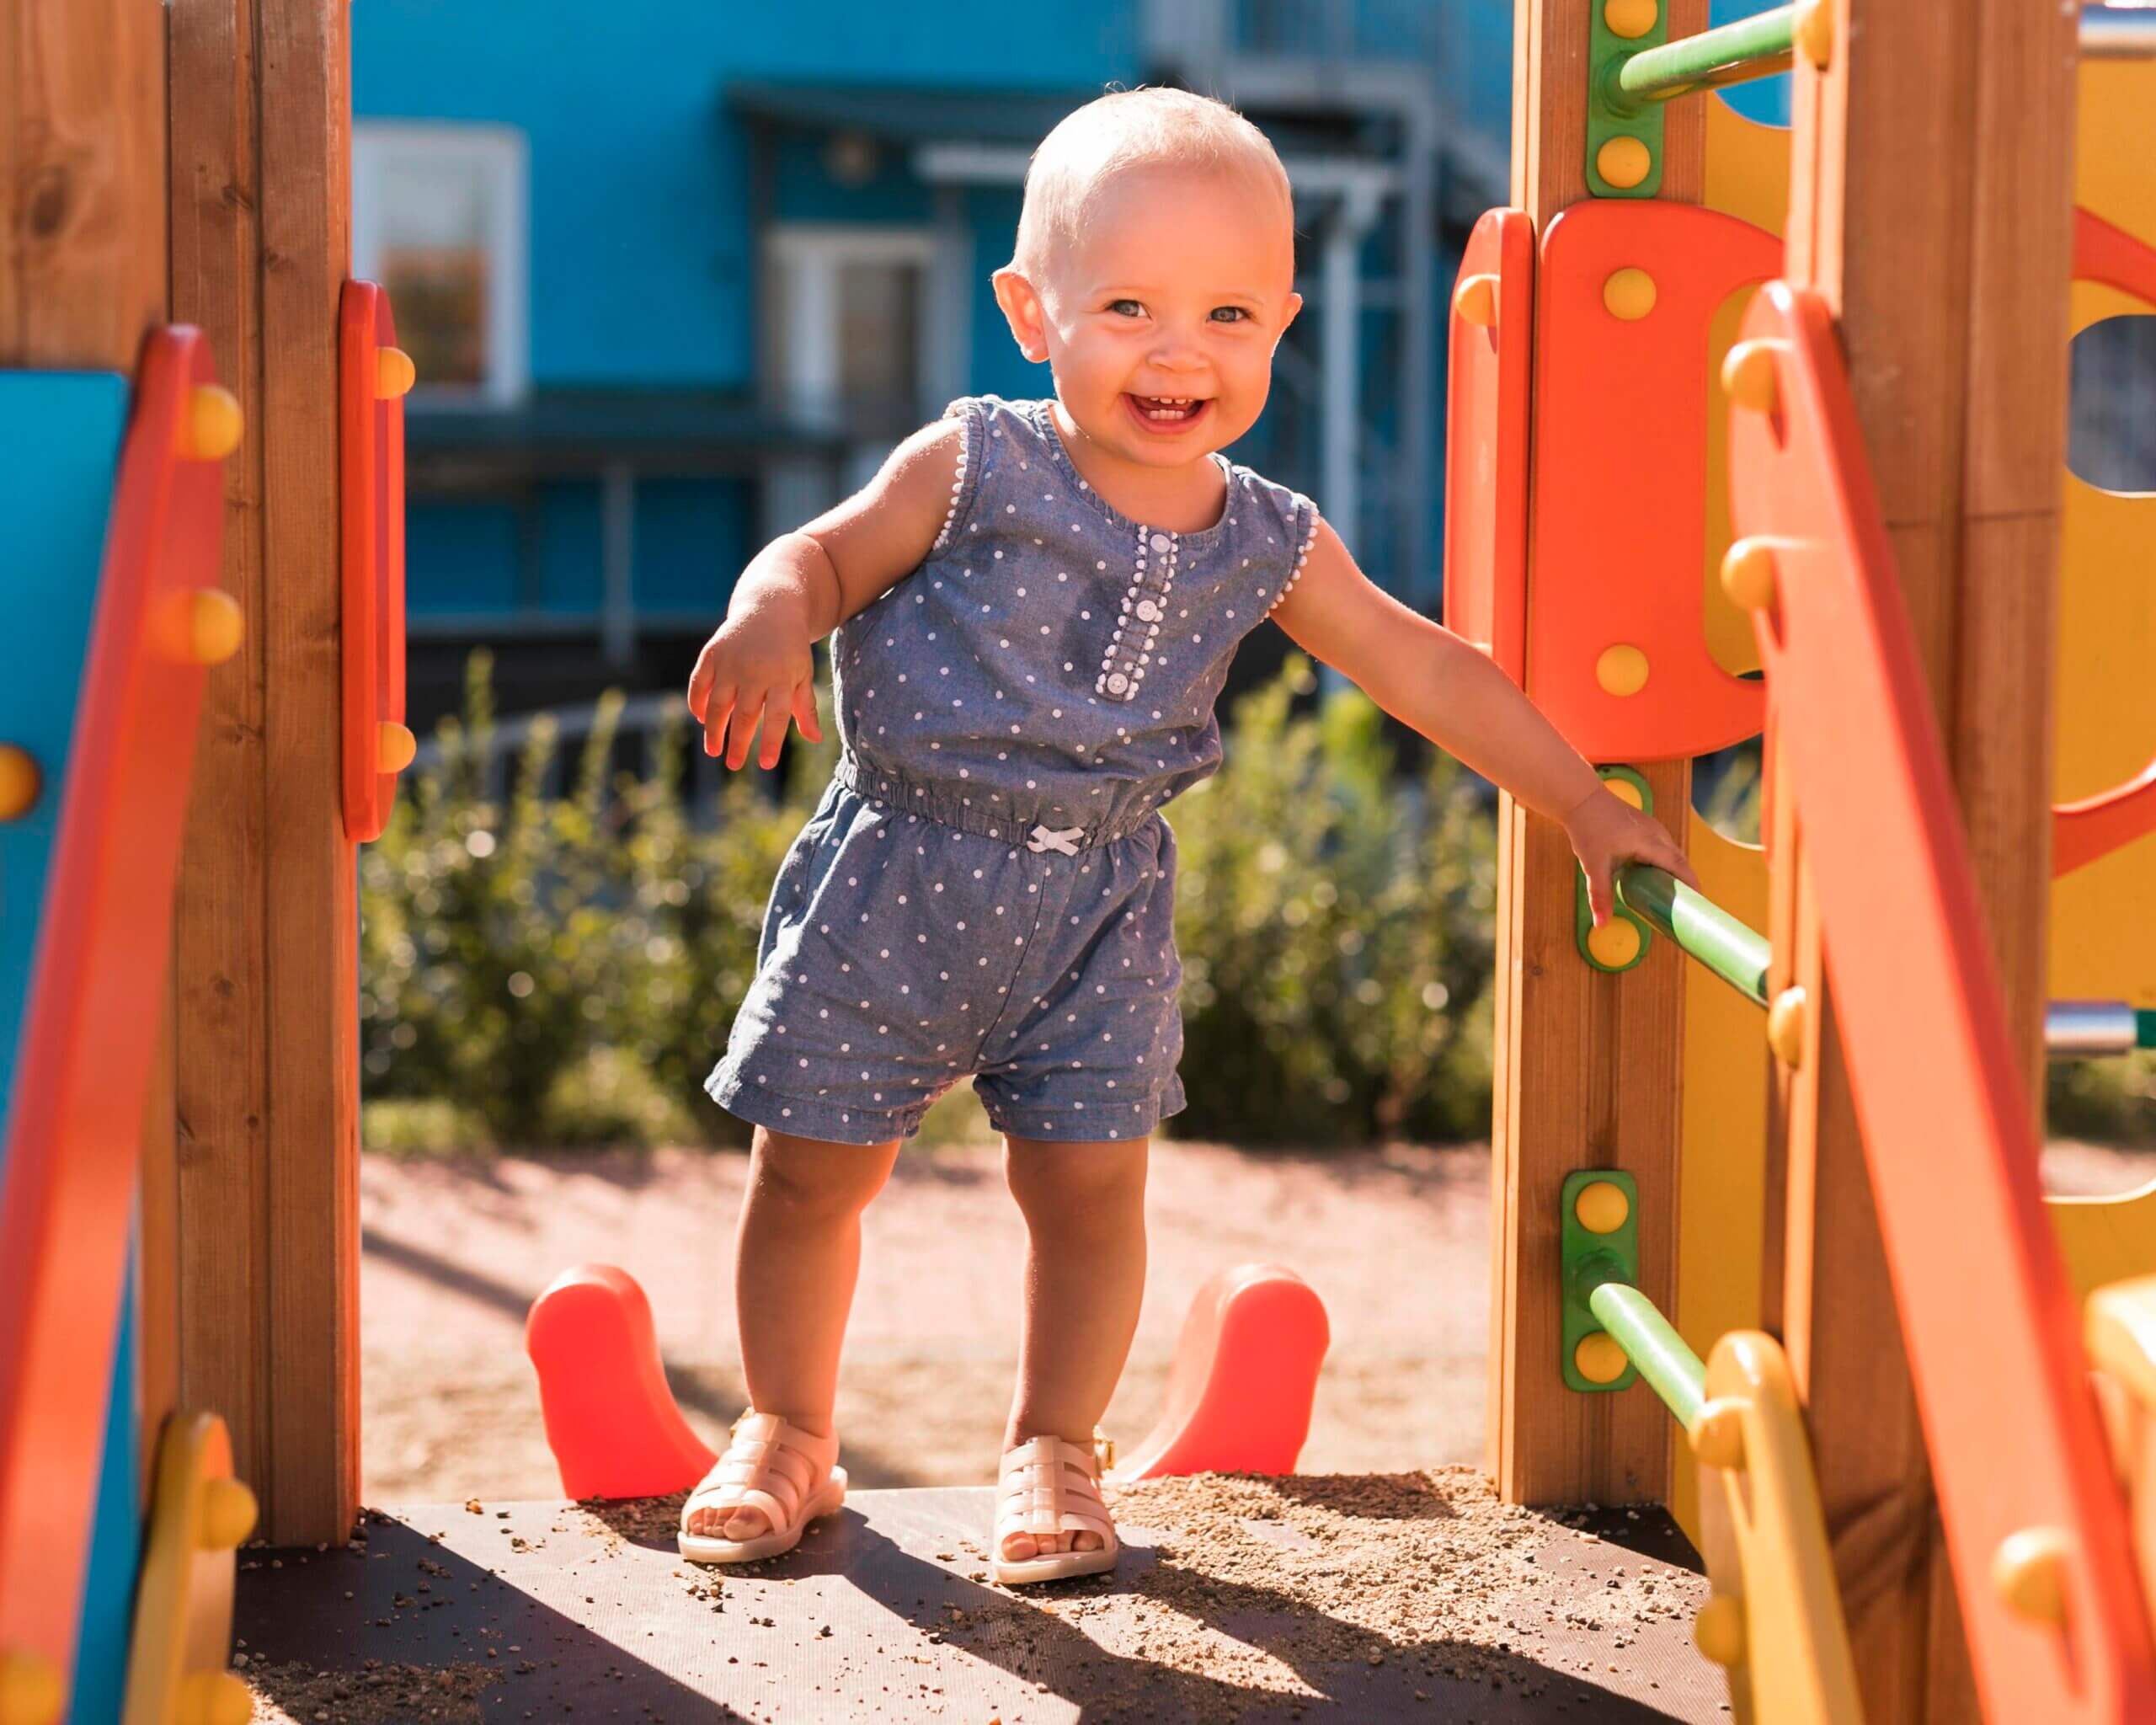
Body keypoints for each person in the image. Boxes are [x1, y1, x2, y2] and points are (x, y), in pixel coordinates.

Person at [679, 87, 1697, 1584]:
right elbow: (823, 555)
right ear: (1034, 312)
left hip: (1098, 900)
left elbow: (1423, 665)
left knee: (1089, 1187)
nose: (1181, 352)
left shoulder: (1268, 534)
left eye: (1229, 314)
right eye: (1130, 306)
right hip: (901, 868)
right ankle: (785, 1428)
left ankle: (1055, 1447)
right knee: (813, 1170)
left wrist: (1587, 802)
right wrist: (770, 614)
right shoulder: (969, 464)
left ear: (1282, 323)